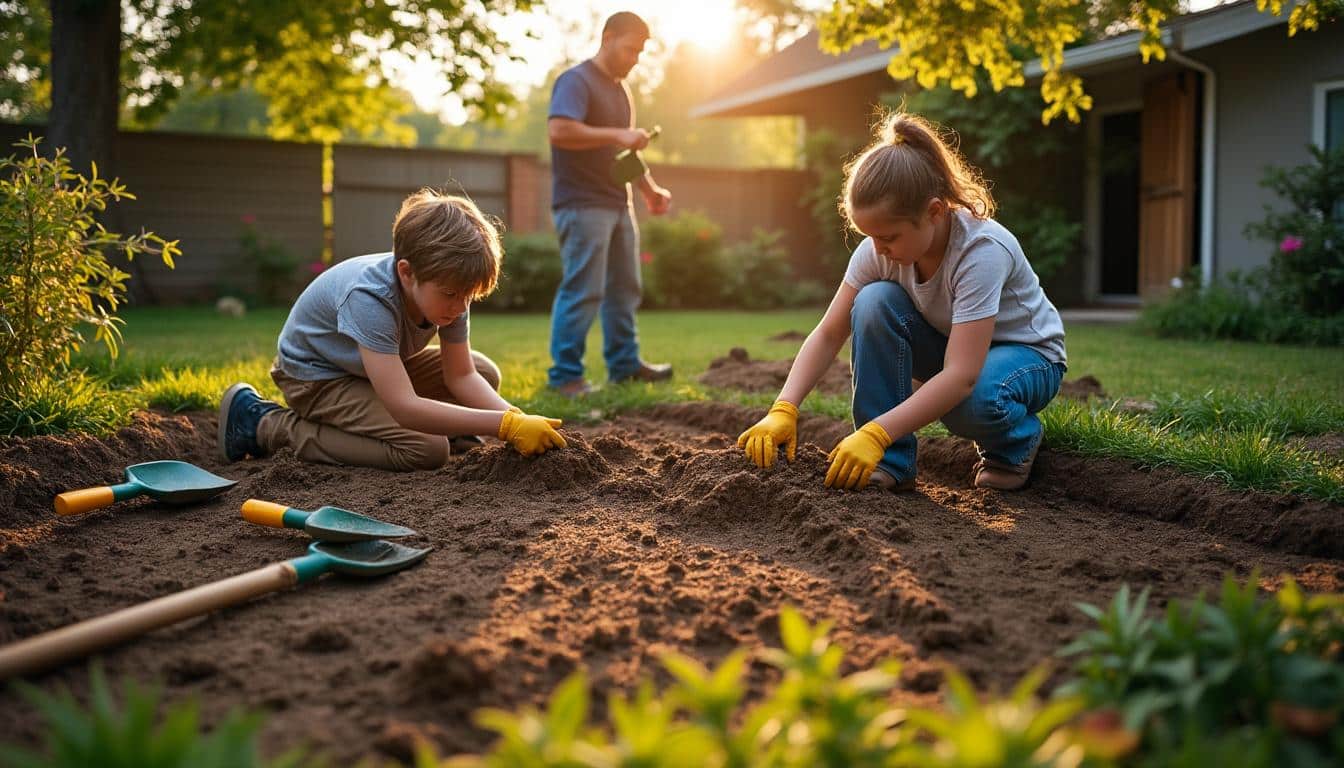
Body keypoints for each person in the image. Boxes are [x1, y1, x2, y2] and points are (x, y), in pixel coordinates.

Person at [736, 112, 1067, 492]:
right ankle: (891, 461)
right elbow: (829, 334)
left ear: (934, 212)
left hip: (1029, 356)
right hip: (956, 348)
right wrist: (784, 407)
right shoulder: (878, 250)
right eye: (869, 236)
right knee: (873, 301)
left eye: (888, 237)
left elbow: (961, 376)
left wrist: (874, 432)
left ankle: (1015, 442)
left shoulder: (980, 251)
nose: (877, 249)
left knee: (970, 400)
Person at [217, 189, 567, 471]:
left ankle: (446, 427)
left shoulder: (448, 286)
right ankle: (263, 424)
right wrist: (503, 427)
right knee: (426, 449)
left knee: (484, 373)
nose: (461, 307)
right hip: (316, 380)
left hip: (367, 370)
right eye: (452, 295)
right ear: (406, 273)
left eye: (469, 296)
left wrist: (518, 420)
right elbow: (403, 405)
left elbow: (461, 376)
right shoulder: (369, 298)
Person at [545, 10, 674, 397]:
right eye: (630, 49)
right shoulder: (576, 81)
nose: (635, 59)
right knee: (584, 289)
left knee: (624, 289)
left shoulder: (620, 92)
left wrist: (649, 191)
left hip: (619, 204)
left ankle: (624, 366)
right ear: (607, 37)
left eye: (640, 52)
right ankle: (566, 377)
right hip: (582, 204)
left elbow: (624, 156)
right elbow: (559, 130)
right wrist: (620, 134)